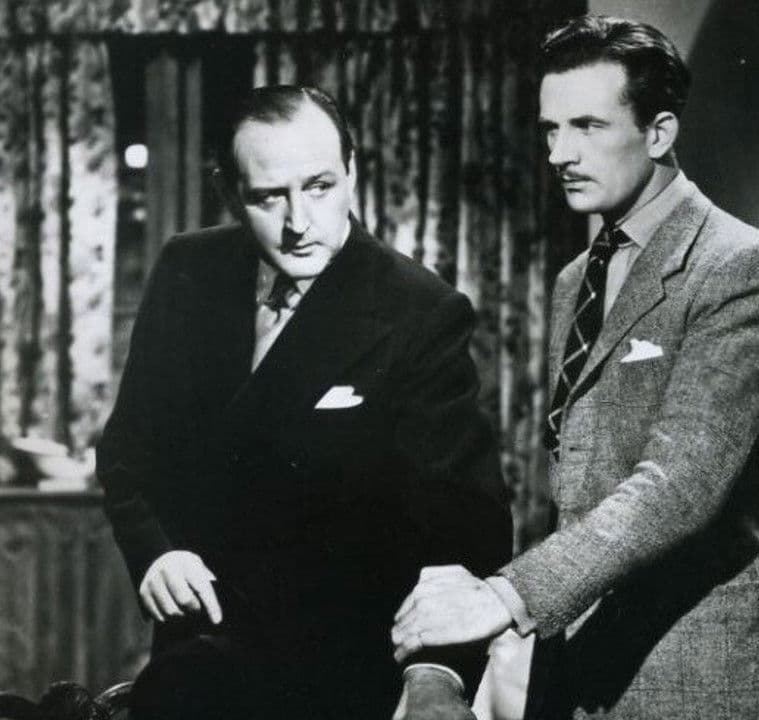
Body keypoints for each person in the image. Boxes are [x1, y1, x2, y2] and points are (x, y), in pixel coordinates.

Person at [390, 15, 759, 720]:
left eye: (587, 126)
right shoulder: (574, 279)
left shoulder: (743, 270)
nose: (560, 153)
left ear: (660, 132)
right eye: (551, 129)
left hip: (692, 678)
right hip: (579, 670)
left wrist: (505, 595)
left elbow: (678, 484)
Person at [96, 85, 511, 720]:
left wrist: (438, 675)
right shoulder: (188, 270)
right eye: (269, 197)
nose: (299, 223)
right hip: (194, 671)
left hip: (341, 682)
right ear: (230, 192)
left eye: (319, 186)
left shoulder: (420, 311)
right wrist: (155, 550)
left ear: (352, 172)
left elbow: (464, 527)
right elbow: (128, 451)